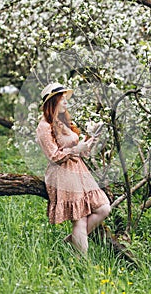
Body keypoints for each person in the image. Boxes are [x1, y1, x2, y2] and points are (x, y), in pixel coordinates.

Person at [36, 82, 111, 254]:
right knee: (80, 217)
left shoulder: (62, 122)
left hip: (79, 169)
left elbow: (81, 152)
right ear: (52, 102)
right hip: (62, 172)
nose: (65, 102)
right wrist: (75, 150)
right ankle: (82, 263)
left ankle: (71, 241)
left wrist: (91, 137)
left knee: (104, 208)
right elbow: (54, 156)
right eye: (61, 99)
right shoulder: (44, 127)